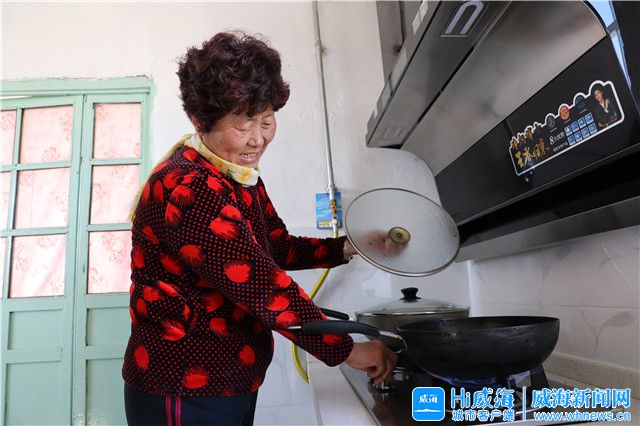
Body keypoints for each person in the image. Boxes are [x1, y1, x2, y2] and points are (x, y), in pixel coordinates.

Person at [122, 31, 397, 426]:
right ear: (200, 121)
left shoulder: (235, 174)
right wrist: (347, 350)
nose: (258, 139)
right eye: (243, 126)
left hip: (229, 378)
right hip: (183, 385)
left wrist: (348, 247)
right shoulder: (189, 186)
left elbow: (276, 247)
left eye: (266, 121)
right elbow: (260, 284)